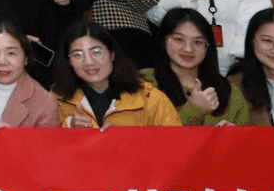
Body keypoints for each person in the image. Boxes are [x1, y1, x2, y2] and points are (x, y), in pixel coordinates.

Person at [52, 21, 181, 128]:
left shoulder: (149, 97)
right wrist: (69, 128)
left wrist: (122, 139)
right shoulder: (56, 100)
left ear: (112, 54)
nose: (89, 62)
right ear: (69, 61)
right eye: (77, 55)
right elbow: (46, 145)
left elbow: (175, 143)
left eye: (96, 52)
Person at [143, 8, 249, 126]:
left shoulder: (230, 92)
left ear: (207, 47)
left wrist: (234, 134)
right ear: (163, 40)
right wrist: (195, 110)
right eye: (179, 39)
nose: (188, 49)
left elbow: (246, 136)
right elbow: (149, 135)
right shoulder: (143, 82)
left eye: (198, 42)